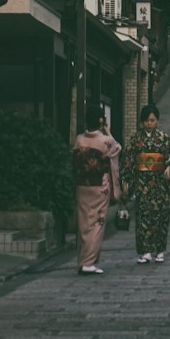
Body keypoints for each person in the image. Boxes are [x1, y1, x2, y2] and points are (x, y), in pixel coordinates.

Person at [121, 103, 170, 263]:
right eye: (146, 121)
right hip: (142, 183)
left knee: (161, 216)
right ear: (142, 122)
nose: (149, 123)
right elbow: (128, 160)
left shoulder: (163, 138)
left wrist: (168, 167)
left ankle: (160, 250)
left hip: (160, 183)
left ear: (157, 121)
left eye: (152, 120)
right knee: (143, 217)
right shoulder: (136, 139)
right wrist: (126, 180)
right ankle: (145, 251)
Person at [71, 102, 121, 274]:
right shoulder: (105, 141)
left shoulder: (79, 139)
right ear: (101, 120)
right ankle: (88, 262)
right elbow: (117, 148)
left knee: (84, 222)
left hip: (82, 185)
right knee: (97, 223)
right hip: (99, 186)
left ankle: (82, 260)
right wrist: (107, 131)